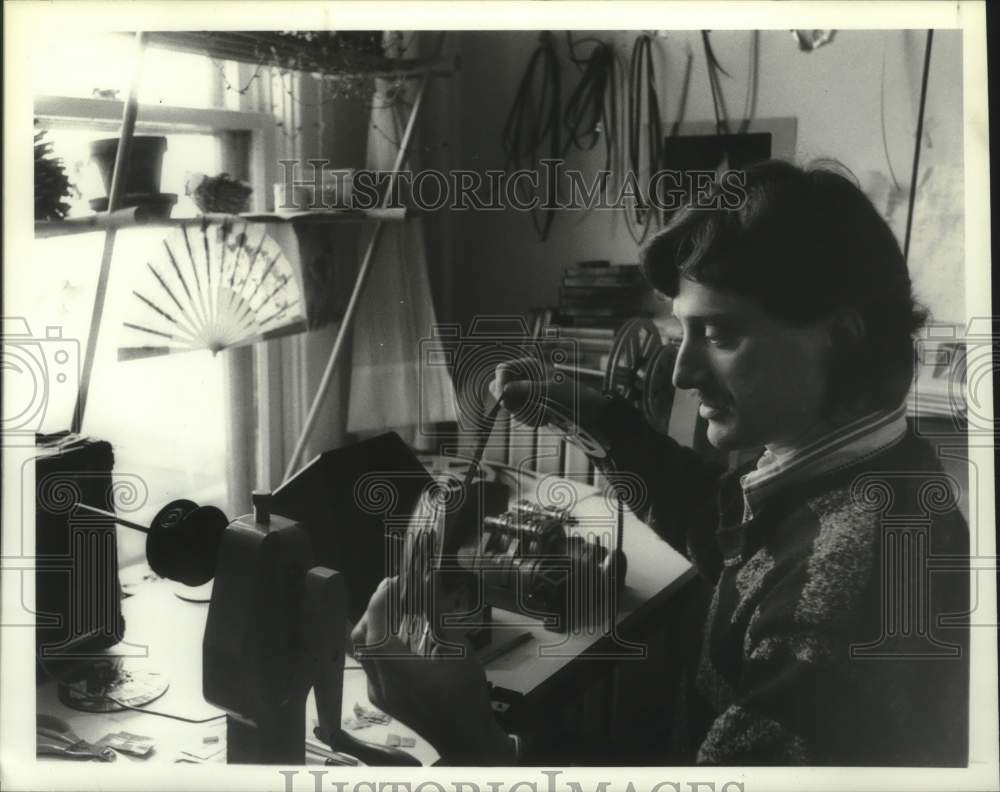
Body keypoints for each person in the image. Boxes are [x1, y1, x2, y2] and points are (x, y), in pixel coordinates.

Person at [350, 159, 969, 766]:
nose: (681, 372)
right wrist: (590, 412)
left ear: (842, 333)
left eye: (720, 335)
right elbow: (715, 523)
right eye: (682, 334)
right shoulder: (873, 470)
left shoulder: (836, 602)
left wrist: (465, 740)